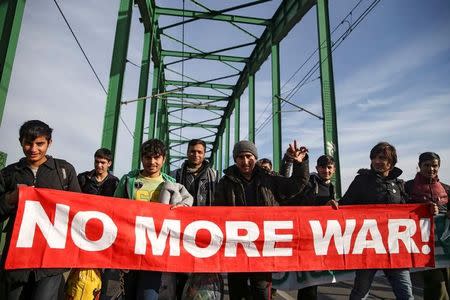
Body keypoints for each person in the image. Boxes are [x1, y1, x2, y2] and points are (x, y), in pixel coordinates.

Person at [214, 140, 309, 300]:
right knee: (237, 293)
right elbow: (218, 213)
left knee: (262, 293)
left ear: (255, 157)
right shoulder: (225, 183)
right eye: (240, 157)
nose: (245, 161)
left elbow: (296, 185)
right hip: (236, 248)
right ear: (235, 159)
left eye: (249, 156)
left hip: (262, 248)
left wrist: (300, 164)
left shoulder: (269, 178)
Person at [0, 120, 81, 300]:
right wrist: (10, 198)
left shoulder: (64, 171)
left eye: (39, 144)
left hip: (51, 258)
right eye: (28, 143)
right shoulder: (9, 173)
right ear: (20, 142)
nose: (33, 149)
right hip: (17, 258)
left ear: (49, 143)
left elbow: (78, 210)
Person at [113, 139, 193, 300]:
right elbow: (114, 208)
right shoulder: (129, 180)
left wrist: (182, 209)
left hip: (154, 251)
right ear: (142, 158)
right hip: (130, 248)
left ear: (163, 159)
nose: (152, 162)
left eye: (157, 157)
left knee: (149, 295)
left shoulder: (170, 184)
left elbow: (183, 209)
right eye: (148, 157)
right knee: (128, 293)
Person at [340, 142, 414, 300]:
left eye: (382, 158)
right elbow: (344, 206)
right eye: (374, 157)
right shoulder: (361, 181)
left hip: (394, 246)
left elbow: (408, 211)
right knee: (361, 292)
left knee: (405, 292)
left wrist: (429, 210)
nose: (377, 161)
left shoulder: (399, 185)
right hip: (368, 246)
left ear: (391, 162)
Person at [281, 154, 338, 299]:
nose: (326, 170)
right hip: (305, 236)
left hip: (319, 238)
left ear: (334, 169)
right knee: (309, 281)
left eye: (329, 167)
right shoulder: (309, 183)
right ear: (317, 168)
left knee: (313, 280)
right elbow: (292, 194)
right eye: (323, 167)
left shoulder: (331, 187)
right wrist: (322, 209)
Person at [170, 139, 220, 299]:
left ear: (204, 154)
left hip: (205, 232)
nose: (195, 154)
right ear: (187, 152)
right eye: (192, 151)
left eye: (199, 152)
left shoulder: (215, 176)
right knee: (179, 274)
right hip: (180, 231)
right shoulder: (174, 175)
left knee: (203, 273)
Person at [73, 148, 119, 300]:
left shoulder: (115, 182)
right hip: (83, 230)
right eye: (97, 162)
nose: (99, 165)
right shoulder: (83, 178)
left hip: (105, 232)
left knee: (103, 268)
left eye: (103, 163)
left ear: (109, 163)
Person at [406, 152, 449, 300]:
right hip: (425, 246)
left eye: (434, 165)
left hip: (446, 246)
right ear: (419, 166)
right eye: (427, 165)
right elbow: (399, 209)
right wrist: (422, 210)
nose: (431, 169)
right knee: (436, 285)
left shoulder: (446, 188)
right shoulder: (407, 187)